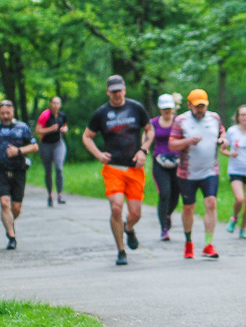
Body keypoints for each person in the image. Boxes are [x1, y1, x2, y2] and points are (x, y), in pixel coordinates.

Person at [82, 75, 152, 266]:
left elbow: (150, 130)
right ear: (108, 92)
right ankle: (121, 251)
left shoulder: (136, 108)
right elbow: (87, 136)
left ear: (125, 90)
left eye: (119, 90)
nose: (116, 94)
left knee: (135, 213)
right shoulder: (101, 113)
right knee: (116, 207)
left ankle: (129, 228)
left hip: (134, 168)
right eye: (113, 91)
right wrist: (98, 154)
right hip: (113, 168)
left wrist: (143, 150)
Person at [168, 89, 224, 259]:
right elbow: (172, 145)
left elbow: (222, 131)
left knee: (211, 203)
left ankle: (208, 244)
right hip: (187, 173)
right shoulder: (181, 121)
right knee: (188, 208)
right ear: (189, 105)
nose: (200, 109)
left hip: (210, 170)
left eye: (203, 106)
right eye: (197, 106)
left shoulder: (214, 118)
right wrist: (187, 141)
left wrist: (224, 140)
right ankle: (188, 242)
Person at [0, 101, 38, 250]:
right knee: (4, 203)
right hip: (0, 170)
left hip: (19, 170)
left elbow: (34, 146)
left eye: (8, 113)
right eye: (2, 114)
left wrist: (18, 151)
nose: (5, 116)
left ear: (13, 112)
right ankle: (12, 236)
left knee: (16, 208)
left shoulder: (22, 128)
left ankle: (9, 223)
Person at [222, 105, 246, 239]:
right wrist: (230, 154)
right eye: (242, 115)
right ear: (237, 117)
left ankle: (243, 228)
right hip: (236, 170)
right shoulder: (231, 131)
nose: (244, 117)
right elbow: (223, 150)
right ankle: (234, 218)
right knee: (240, 199)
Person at [149, 94, 181, 241]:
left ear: (173, 108)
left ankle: (168, 215)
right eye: (164, 109)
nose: (167, 111)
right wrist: (145, 148)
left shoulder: (179, 121)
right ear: (160, 109)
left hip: (177, 161)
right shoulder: (153, 123)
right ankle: (164, 229)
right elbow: (147, 136)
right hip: (159, 161)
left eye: (169, 108)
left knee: (175, 193)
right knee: (164, 193)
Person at [35, 96, 69, 207]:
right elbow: (37, 130)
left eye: (58, 103)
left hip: (59, 144)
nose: (56, 105)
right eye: (54, 103)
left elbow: (65, 125)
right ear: (50, 104)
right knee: (48, 170)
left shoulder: (62, 115)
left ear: (60, 105)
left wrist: (65, 129)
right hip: (46, 145)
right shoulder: (45, 115)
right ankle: (50, 195)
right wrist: (50, 129)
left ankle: (60, 195)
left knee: (59, 168)